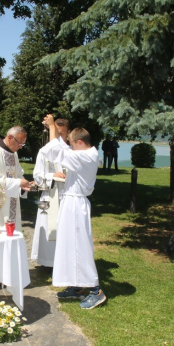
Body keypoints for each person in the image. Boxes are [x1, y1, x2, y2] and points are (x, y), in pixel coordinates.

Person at [41, 114, 106, 309]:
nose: (69, 147)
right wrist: (53, 129)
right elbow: (59, 149)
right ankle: (77, 286)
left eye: (71, 143)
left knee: (80, 247)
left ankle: (96, 291)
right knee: (70, 245)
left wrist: (53, 127)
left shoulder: (85, 157)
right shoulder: (84, 155)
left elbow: (55, 151)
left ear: (79, 142)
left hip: (76, 204)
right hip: (72, 203)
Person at [31, 118, 70, 267]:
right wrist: (52, 176)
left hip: (66, 196)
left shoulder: (70, 152)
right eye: (56, 134)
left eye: (63, 134)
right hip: (50, 196)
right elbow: (37, 176)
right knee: (49, 227)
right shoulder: (44, 152)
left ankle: (64, 261)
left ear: (68, 133)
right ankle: (48, 262)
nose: (60, 138)